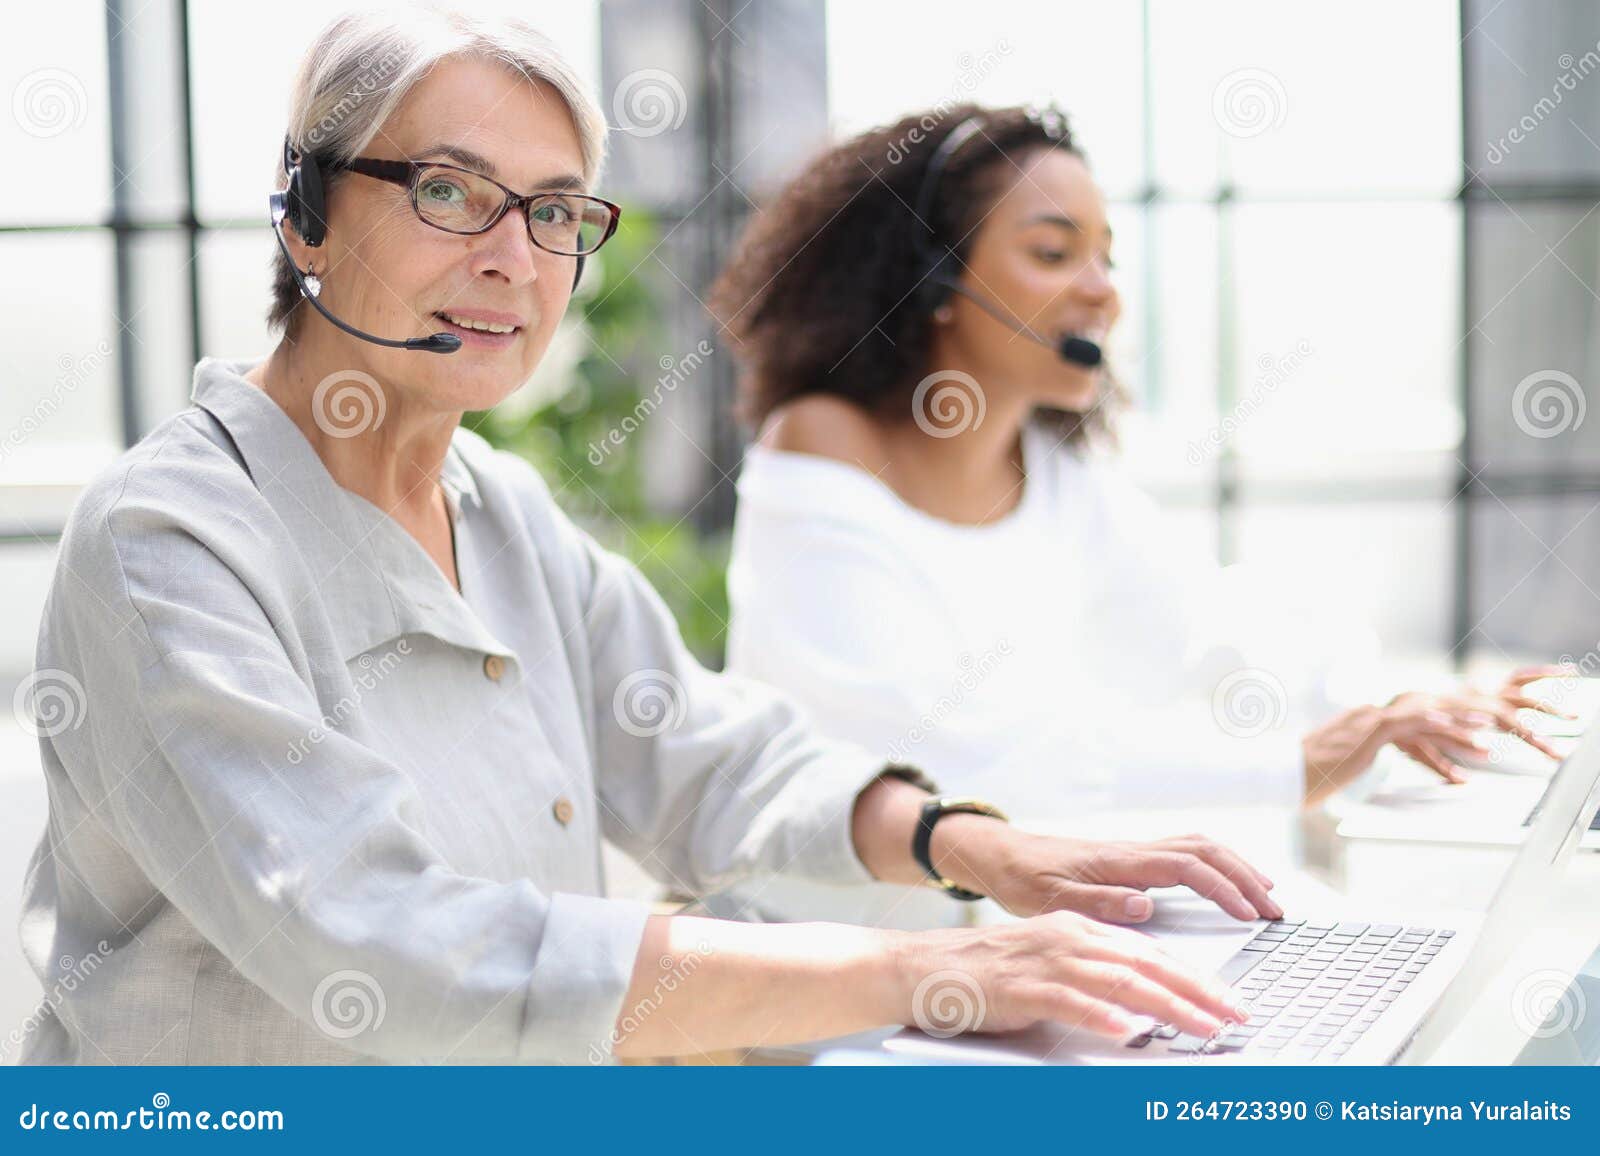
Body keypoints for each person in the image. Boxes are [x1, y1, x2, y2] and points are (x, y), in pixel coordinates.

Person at [17, 11, 1281, 1066]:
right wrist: (923, 968)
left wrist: (975, 845)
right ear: (305, 218)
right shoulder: (168, 541)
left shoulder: (496, 504)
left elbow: (698, 750)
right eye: (451, 192)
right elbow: (384, 939)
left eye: (557, 211)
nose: (515, 259)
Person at [707, 104, 1569, 926]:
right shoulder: (821, 444)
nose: (1103, 295)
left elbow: (1210, 634)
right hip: (847, 974)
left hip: (1012, 956)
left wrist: (1404, 713)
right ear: (934, 279)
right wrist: (1292, 766)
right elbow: (952, 753)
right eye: (1053, 253)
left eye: (1107, 260)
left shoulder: (1055, 473)